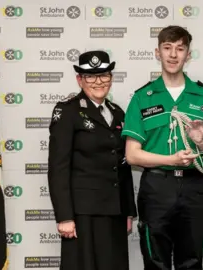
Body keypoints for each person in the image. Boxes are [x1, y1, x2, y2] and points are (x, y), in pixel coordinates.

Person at [121, 25, 203, 270]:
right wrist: (172, 160)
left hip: (193, 187)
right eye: (167, 48)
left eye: (180, 49)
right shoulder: (142, 97)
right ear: (157, 52)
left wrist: (201, 141)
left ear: (188, 55)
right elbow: (132, 154)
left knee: (192, 261)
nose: (173, 54)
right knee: (155, 262)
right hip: (157, 188)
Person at [47, 50, 137, 270]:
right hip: (82, 214)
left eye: (104, 75)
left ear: (111, 78)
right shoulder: (67, 111)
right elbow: (58, 167)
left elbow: (122, 165)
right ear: (79, 79)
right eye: (90, 76)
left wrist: (128, 210)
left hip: (115, 211)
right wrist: (65, 217)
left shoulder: (118, 113)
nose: (98, 82)